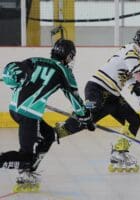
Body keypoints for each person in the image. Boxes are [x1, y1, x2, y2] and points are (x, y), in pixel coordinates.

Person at [55, 28, 140, 173]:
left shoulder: (134, 58)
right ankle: (56, 132)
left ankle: (119, 153)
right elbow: (138, 77)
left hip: (112, 96)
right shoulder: (132, 50)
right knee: (89, 115)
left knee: (134, 120)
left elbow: (136, 86)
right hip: (97, 88)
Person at [0, 39, 95, 192]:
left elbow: (10, 75)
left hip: (14, 109)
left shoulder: (35, 60)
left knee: (49, 135)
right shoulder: (65, 72)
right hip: (29, 115)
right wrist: (87, 119)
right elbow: (76, 101)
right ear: (68, 56)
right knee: (26, 157)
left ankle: (28, 171)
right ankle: (26, 168)